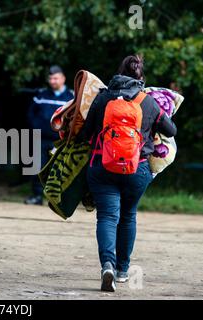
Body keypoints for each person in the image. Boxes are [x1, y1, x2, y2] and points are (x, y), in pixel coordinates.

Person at [77, 55, 177, 292]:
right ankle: (123, 270)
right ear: (140, 77)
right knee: (128, 215)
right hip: (137, 168)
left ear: (118, 74)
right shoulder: (148, 102)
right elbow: (171, 130)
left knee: (107, 217)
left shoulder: (103, 98)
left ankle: (107, 266)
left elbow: (85, 134)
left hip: (102, 166)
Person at [24, 65, 74, 205]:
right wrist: (36, 127)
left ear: (63, 79)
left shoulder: (71, 97)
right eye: (51, 78)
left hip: (60, 142)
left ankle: (57, 199)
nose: (53, 81)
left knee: (59, 170)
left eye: (56, 78)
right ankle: (37, 196)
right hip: (40, 139)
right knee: (37, 168)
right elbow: (30, 114)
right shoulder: (41, 94)